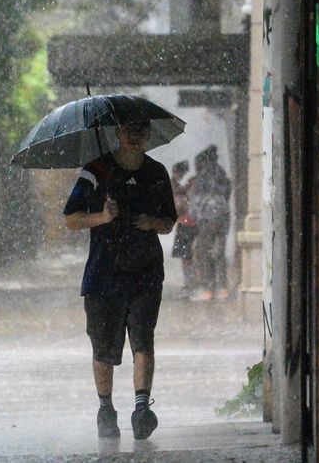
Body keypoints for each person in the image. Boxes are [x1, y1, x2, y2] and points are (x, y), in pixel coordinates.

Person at [63, 120, 178, 440]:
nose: (135, 135)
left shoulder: (156, 173)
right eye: (129, 129)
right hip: (103, 275)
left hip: (146, 272)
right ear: (117, 133)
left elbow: (169, 222)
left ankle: (142, 409)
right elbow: (70, 218)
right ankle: (106, 409)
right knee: (103, 348)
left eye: (140, 130)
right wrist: (102, 217)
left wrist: (151, 222)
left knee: (143, 339)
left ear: (148, 134)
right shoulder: (95, 172)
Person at [189, 145, 233, 301]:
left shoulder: (203, 176)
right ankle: (222, 287)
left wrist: (194, 215)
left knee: (203, 251)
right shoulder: (221, 173)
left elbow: (197, 199)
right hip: (223, 216)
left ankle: (208, 288)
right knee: (219, 252)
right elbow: (226, 193)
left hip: (208, 217)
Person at [169, 161, 200, 297]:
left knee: (187, 256)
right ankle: (190, 284)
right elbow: (177, 200)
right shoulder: (174, 185)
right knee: (187, 256)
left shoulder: (178, 186)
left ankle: (190, 284)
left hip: (186, 224)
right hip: (186, 223)